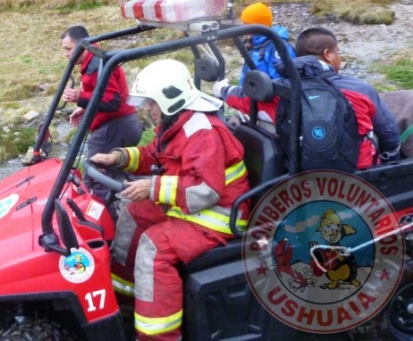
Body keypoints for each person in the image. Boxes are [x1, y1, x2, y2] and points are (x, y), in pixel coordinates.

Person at [91, 59, 250, 341]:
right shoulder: (176, 122)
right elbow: (155, 155)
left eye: (151, 102)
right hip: (196, 206)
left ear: (170, 97)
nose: (146, 108)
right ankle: (128, 300)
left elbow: (204, 190)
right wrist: (120, 157)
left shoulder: (201, 132)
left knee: (155, 246)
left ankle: (158, 336)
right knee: (132, 214)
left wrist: (152, 187)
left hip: (219, 215)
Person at [214, 26, 401, 169]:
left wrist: (221, 89)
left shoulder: (278, 91)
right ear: (328, 55)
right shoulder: (361, 89)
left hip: (304, 174)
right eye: (338, 52)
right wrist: (389, 162)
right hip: (360, 175)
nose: (340, 57)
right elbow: (389, 134)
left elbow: (242, 97)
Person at [60, 25, 143, 201]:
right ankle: (126, 207)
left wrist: (80, 97)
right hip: (126, 124)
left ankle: (101, 219)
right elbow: (102, 94)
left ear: (82, 44)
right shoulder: (95, 60)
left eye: (68, 49)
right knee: (113, 172)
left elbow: (112, 101)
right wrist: (84, 106)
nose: (66, 54)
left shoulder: (97, 64)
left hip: (116, 126)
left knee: (96, 172)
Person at [238, 1, 295, 86]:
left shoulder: (278, 47)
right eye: (244, 24)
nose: (244, 28)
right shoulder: (256, 43)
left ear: (257, 26)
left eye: (247, 24)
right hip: (250, 92)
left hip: (263, 96)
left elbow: (282, 84)